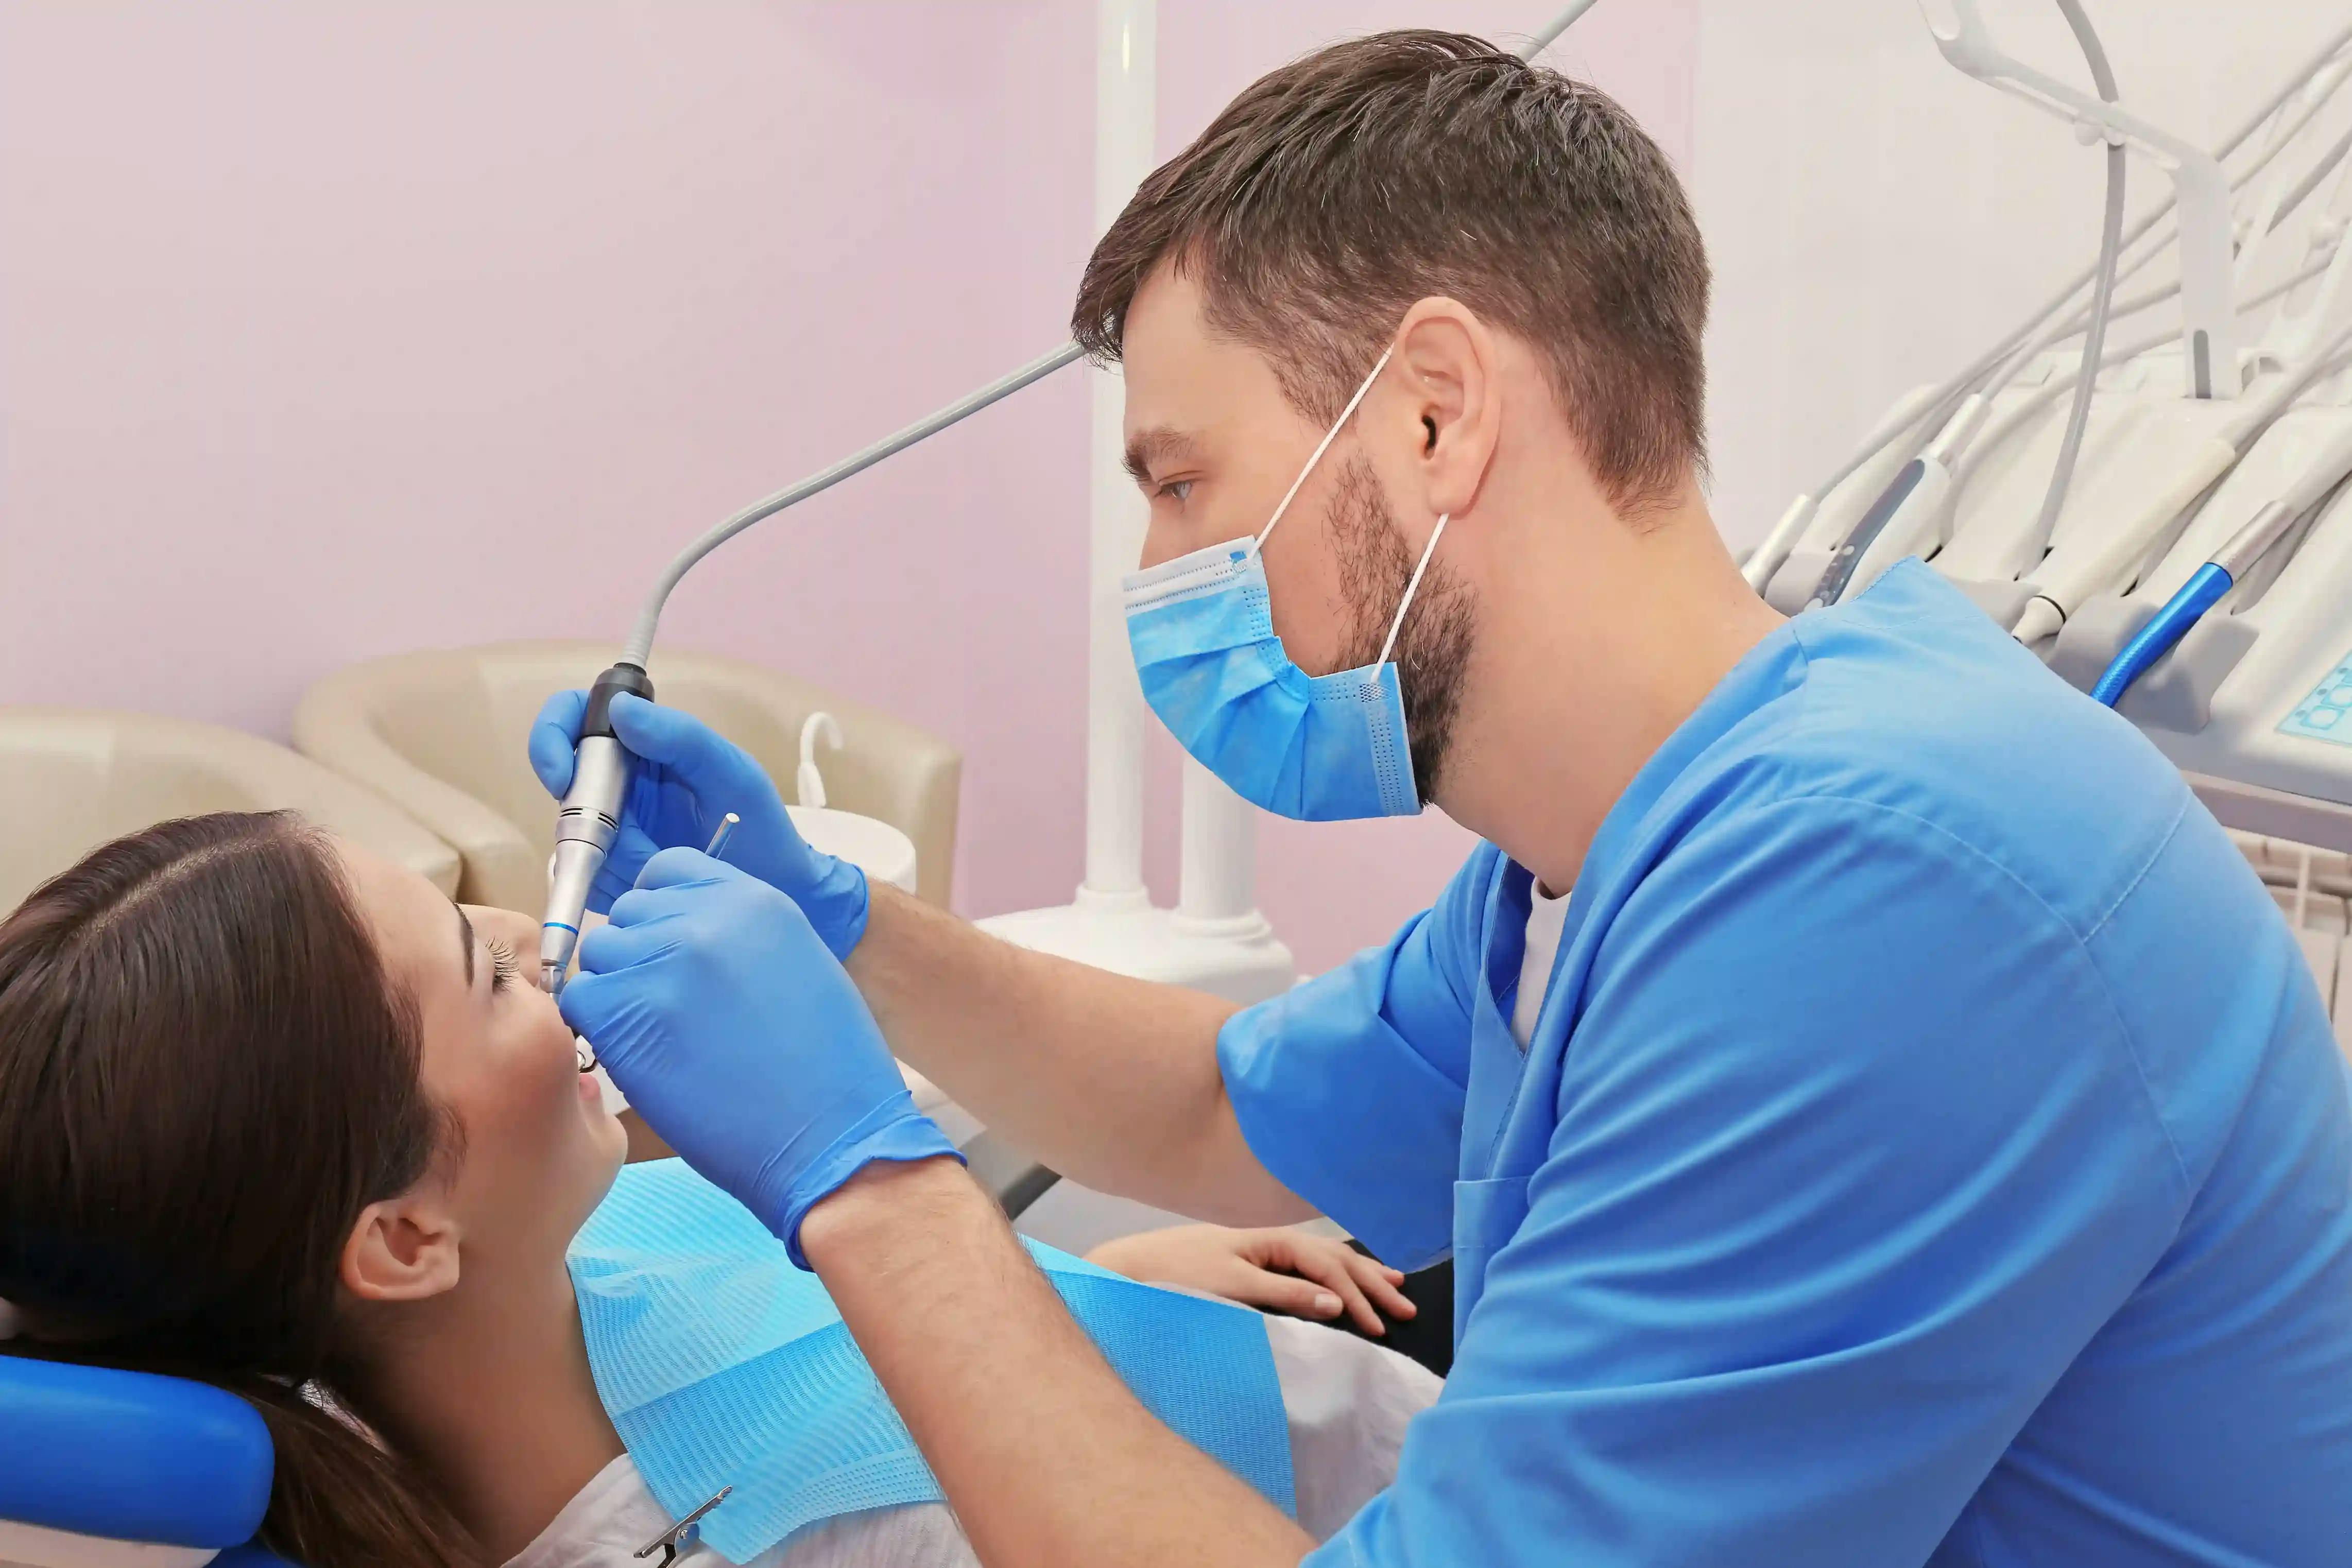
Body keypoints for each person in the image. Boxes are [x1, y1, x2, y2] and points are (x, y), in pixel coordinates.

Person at [535, 29, 2352, 1568]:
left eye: (1181, 483)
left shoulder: (1880, 888)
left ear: (1430, 416)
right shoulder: (1602, 857)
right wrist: (844, 930)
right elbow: (1218, 1110)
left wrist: (876, 1191)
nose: (1160, 570)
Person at [0, 813, 1440, 1568]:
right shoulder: (812, 1544)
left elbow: (818, 1332)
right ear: (401, 1237)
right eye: (482, 970)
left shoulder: (550, 1256)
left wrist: (1101, 1293)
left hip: (1309, 1368)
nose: (539, 941)